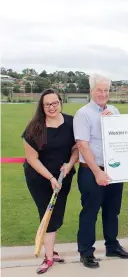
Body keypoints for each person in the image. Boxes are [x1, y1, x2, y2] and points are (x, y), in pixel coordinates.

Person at [73, 74, 128, 269]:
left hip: (114, 170)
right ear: (91, 91)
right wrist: (98, 173)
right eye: (99, 90)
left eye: (106, 90)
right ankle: (86, 251)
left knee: (112, 211)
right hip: (91, 171)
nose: (103, 93)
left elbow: (123, 137)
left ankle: (112, 245)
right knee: (90, 212)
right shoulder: (83, 114)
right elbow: (82, 145)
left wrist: (113, 121)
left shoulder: (114, 110)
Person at [22, 89, 79, 274]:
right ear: (42, 106)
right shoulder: (34, 127)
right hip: (40, 178)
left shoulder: (71, 122)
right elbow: (32, 158)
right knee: (47, 216)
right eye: (47, 104)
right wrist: (51, 178)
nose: (52, 107)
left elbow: (76, 148)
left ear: (60, 102)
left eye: (55, 103)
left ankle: (50, 250)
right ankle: (48, 258)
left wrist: (69, 165)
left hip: (63, 177)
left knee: (57, 215)